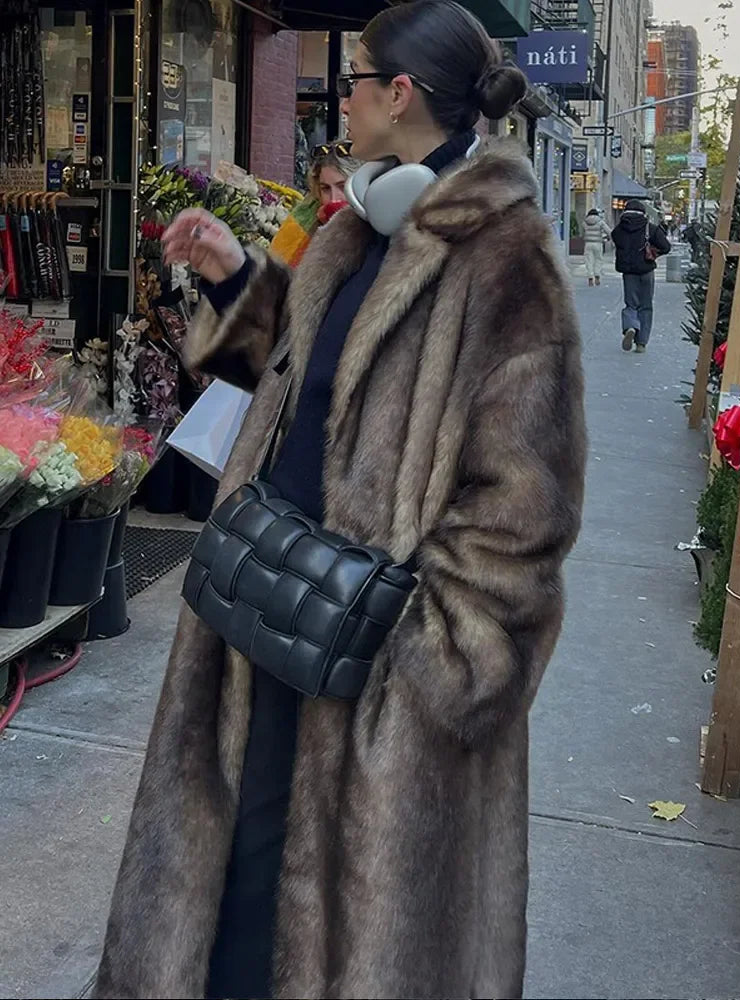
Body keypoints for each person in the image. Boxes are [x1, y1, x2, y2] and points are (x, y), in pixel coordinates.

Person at [95, 3, 586, 999]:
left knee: (343, 938)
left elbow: (527, 510)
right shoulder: (360, 228)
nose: (340, 103)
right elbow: (311, 378)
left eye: (353, 80)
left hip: (376, 683)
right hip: (266, 624)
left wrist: (429, 663)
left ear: (398, 95)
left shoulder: (508, 262)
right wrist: (237, 281)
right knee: (231, 907)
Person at [270, 140, 361, 268]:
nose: (334, 199)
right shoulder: (304, 222)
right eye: (325, 188)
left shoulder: (379, 225)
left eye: (343, 187)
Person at [611, 198, 671, 353]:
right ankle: (641, 343)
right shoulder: (650, 228)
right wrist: (654, 252)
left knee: (631, 304)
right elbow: (666, 247)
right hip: (646, 270)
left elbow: (616, 242)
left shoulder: (618, 230)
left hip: (629, 273)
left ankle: (630, 326)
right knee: (646, 306)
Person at [583, 207, 611, 286]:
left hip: (588, 243)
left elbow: (583, 232)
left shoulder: (585, 222)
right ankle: (597, 275)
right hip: (598, 243)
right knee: (598, 259)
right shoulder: (600, 222)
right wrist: (608, 238)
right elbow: (609, 231)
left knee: (589, 261)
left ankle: (590, 277)